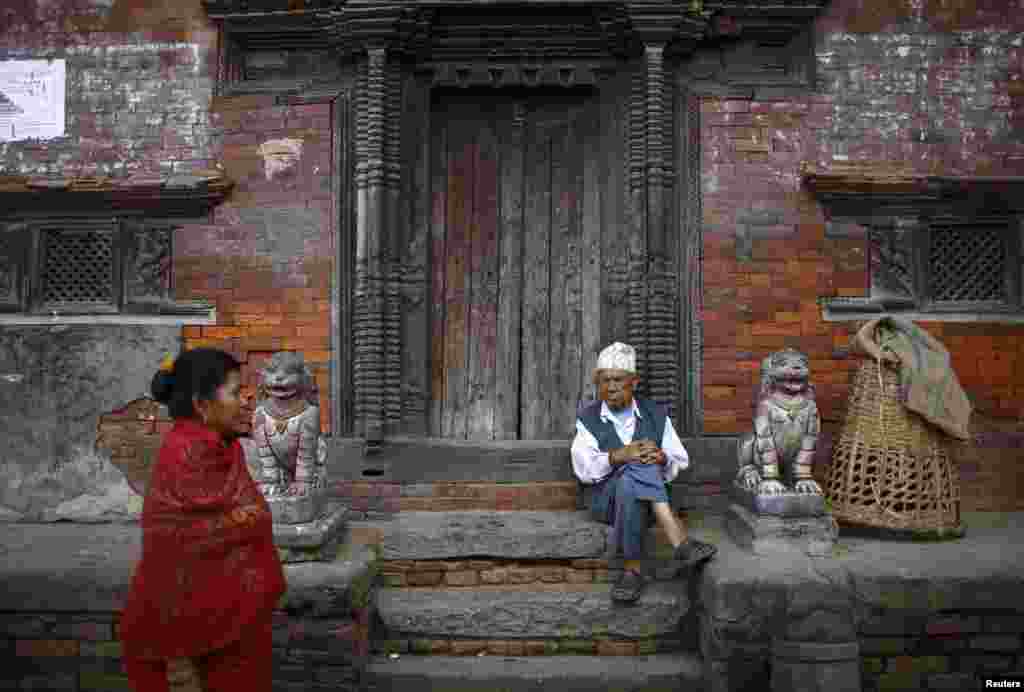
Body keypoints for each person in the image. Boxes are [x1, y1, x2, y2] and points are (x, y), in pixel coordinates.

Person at [120, 348, 287, 692]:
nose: (246, 400)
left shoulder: (225, 448)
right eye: (234, 391)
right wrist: (178, 659)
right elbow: (174, 551)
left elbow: (244, 520)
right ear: (201, 404)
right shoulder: (185, 454)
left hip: (234, 627)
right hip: (187, 641)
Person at [571, 342, 717, 602]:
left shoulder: (656, 414)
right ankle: (679, 540)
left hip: (641, 499)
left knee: (636, 473)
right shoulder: (588, 419)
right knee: (636, 463)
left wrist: (661, 458)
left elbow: (677, 460)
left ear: (634, 382)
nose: (611, 387)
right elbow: (585, 469)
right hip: (606, 500)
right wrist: (619, 455)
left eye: (618, 380)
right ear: (598, 383)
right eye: (605, 381)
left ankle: (632, 571)